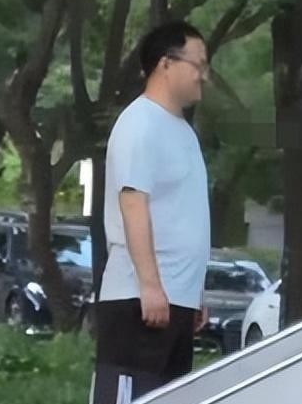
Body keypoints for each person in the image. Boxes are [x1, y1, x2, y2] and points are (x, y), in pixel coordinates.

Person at [91, 21, 212, 404]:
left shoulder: (183, 131)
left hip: (175, 299)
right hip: (138, 300)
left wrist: (194, 291)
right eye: (198, 64)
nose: (204, 76)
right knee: (130, 395)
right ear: (165, 64)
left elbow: (181, 214)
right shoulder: (139, 123)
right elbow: (133, 202)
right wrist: (150, 285)